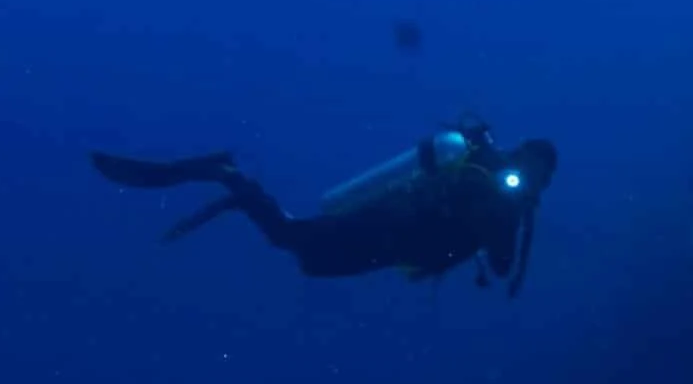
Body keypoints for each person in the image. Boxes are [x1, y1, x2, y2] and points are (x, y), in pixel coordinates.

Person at [90, 120, 558, 295]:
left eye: (539, 175)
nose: (527, 176)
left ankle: (234, 183)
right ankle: (228, 175)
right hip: (385, 227)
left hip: (392, 248)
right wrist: (504, 205)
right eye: (529, 166)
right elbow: (490, 247)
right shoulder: (482, 175)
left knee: (306, 258)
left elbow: (502, 267)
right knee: (290, 239)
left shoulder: (511, 209)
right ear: (518, 156)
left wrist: (516, 211)